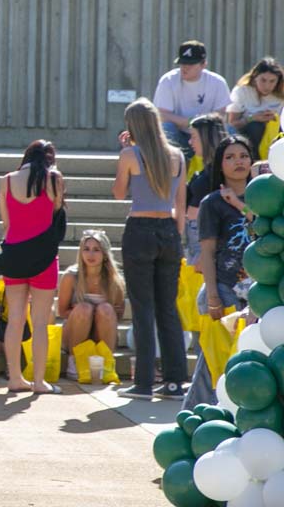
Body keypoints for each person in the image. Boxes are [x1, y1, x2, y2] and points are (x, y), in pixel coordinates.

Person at [113, 98, 188, 400]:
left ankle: (143, 382)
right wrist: (176, 236)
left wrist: (124, 152)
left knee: (143, 308)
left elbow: (119, 193)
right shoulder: (177, 155)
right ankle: (173, 381)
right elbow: (180, 202)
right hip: (169, 230)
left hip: (140, 230)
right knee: (167, 309)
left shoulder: (130, 154)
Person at [184, 135, 256, 409]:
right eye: (230, 157)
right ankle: (192, 417)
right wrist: (212, 294)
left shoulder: (264, 198)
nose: (238, 162)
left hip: (256, 292)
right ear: (220, 165)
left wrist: (240, 205)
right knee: (212, 363)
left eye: (243, 156)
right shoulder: (211, 203)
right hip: (223, 290)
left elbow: (263, 227)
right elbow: (208, 253)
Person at [0, 140, 65, 395]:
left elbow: (6, 222)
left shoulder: (7, 180)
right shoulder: (54, 179)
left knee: (15, 319)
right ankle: (38, 381)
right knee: (39, 323)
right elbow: (56, 211)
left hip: (14, 253)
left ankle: (14, 377)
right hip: (44, 255)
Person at [57, 229, 126, 377]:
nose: (90, 255)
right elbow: (62, 312)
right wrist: (87, 312)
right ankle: (74, 362)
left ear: (105, 254)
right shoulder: (71, 276)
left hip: (102, 331)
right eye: (86, 249)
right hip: (74, 331)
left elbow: (118, 314)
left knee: (106, 309)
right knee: (84, 309)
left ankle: (106, 362)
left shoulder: (114, 280)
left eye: (96, 250)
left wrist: (98, 313)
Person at [152, 40, 231, 155]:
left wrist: (199, 128)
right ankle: (171, 168)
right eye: (183, 63)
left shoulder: (218, 82)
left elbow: (221, 116)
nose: (185, 67)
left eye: (191, 64)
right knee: (166, 128)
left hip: (206, 135)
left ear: (203, 64)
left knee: (229, 131)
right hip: (179, 133)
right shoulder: (168, 80)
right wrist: (190, 122)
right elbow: (162, 115)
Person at [184, 113, 228, 263]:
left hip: (204, 234)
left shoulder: (220, 171)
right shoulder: (206, 169)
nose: (190, 142)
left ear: (206, 138)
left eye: (194, 137)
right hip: (195, 232)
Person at [227, 57, 284, 154]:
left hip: (276, 137)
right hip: (248, 137)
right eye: (263, 80)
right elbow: (232, 123)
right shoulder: (242, 91)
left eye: (272, 81)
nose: (267, 86)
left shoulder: (280, 94)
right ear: (255, 77)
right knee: (255, 127)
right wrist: (252, 118)